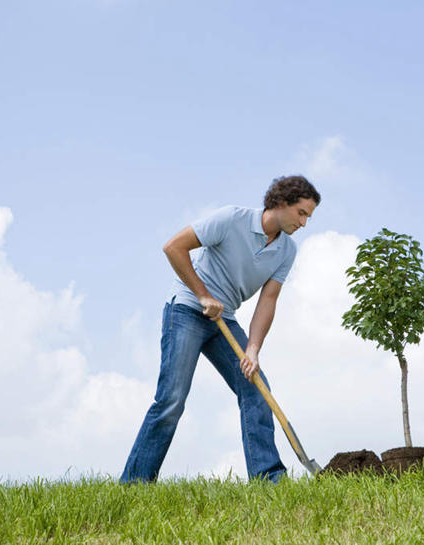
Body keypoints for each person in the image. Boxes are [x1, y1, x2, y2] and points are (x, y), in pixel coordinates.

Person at [120, 175, 320, 483]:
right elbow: (173, 247)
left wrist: (253, 348)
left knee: (256, 389)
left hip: (224, 320)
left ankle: (269, 479)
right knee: (172, 399)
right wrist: (202, 294)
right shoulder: (231, 219)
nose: (305, 223)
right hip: (187, 309)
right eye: (302, 213)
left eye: (309, 216)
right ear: (282, 203)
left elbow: (268, 300)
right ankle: (134, 483)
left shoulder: (286, 251)